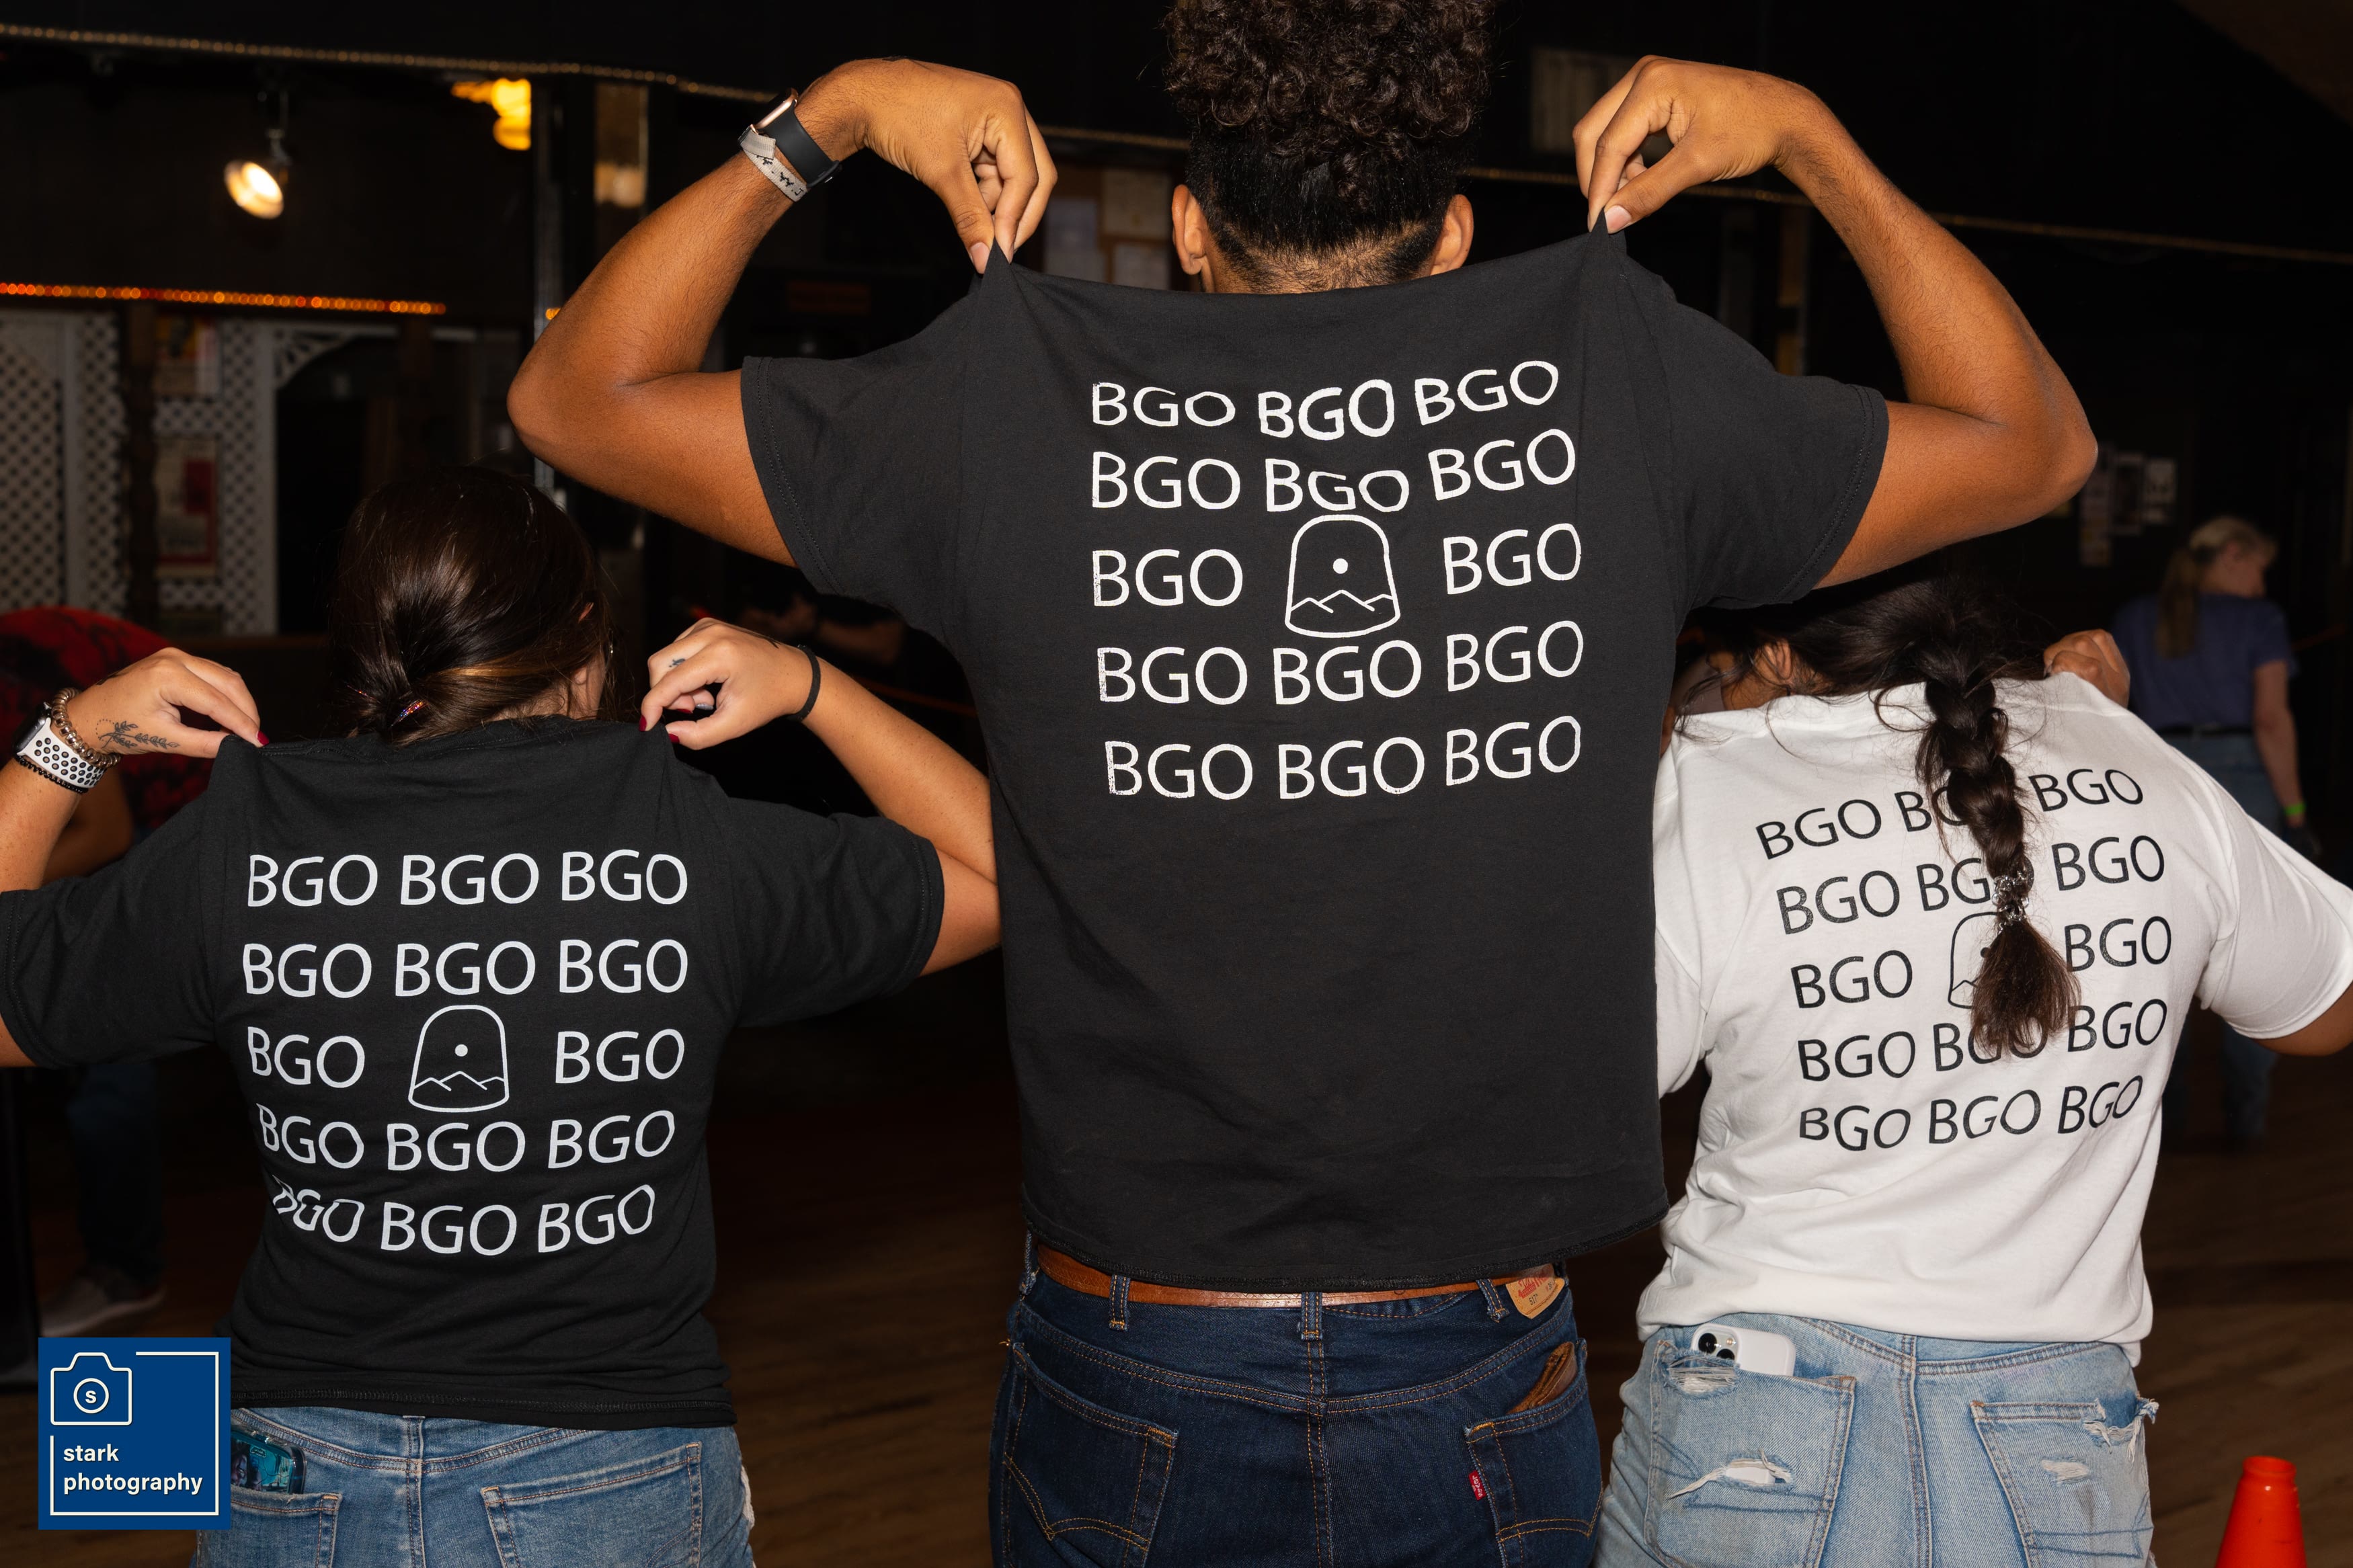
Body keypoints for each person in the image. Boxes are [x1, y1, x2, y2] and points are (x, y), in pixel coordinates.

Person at [507, 4, 2094, 1557]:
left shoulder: (1006, 405)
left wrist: (834, 115)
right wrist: (1806, 138)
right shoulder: (1619, 378)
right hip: (1477, 1342)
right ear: (1454, 235)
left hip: (1140, 1338)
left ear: (1191, 230)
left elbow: (575, 400)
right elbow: (2030, 443)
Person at [0, 466, 998, 1566]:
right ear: (590, 642)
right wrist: (814, 685)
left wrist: (72, 733)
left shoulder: (250, 833)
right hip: (613, 1461)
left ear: (364, 649)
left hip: (287, 1458)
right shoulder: (679, 833)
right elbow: (1002, 877)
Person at [1596, 569, 2353, 1566]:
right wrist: (2105, 749)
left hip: (1761, 1420)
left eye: (1715, 673)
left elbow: (1584, 1085)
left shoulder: (1716, 784)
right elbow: (2323, 1008)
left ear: (1777, 653)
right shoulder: (2124, 751)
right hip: (2056, 1438)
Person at [0, 607, 216, 1339]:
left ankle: (126, 1268)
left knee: (98, 1030)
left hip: (198, 809)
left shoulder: (20, 681)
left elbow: (105, 832)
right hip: (142, 803)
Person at [2112, 514, 2310, 1146]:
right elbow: (2272, 720)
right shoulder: (2260, 620)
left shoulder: (2135, 616)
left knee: (2161, 951)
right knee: (2256, 945)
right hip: (2241, 778)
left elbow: (2113, 714)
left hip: (2155, 777)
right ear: (2231, 554)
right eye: (2258, 568)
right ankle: (2245, 1117)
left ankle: (2161, 1116)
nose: (2261, 583)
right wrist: (2297, 815)